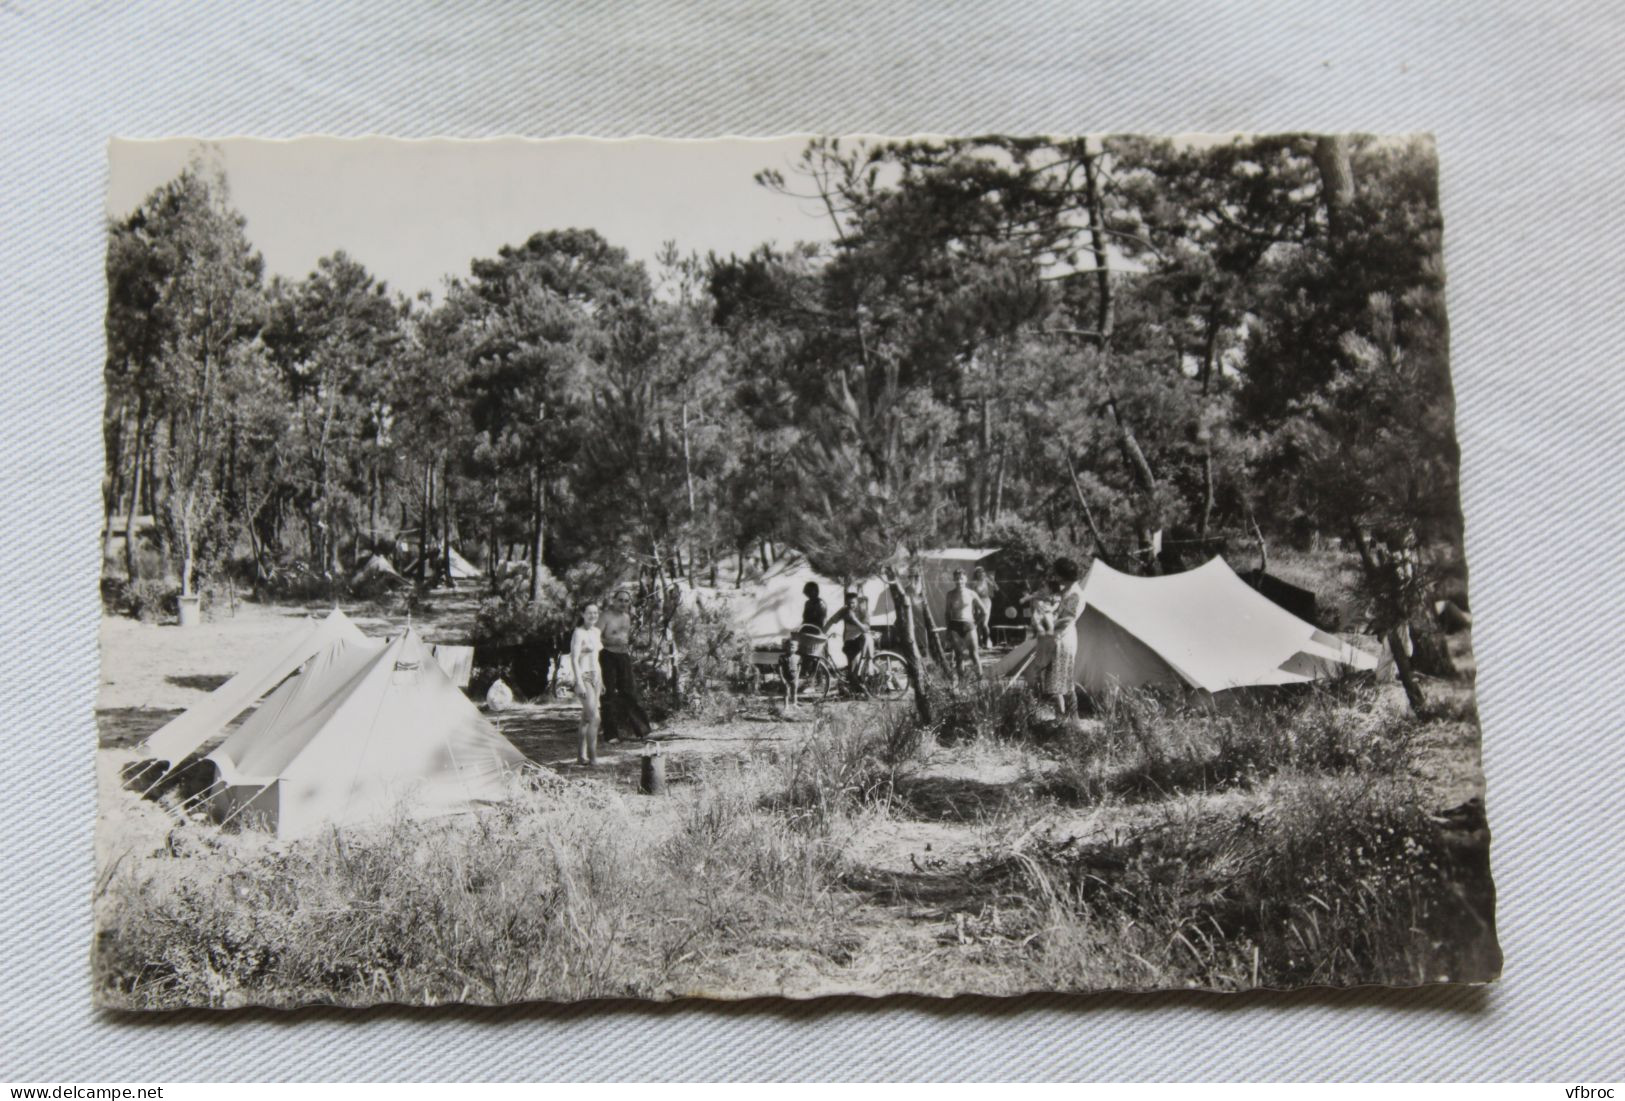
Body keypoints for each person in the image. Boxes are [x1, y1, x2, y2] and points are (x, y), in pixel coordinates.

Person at [598, 588, 651, 742]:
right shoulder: (605, 616)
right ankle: (611, 735)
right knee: (608, 695)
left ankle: (643, 730)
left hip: (623, 656)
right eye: (620, 600)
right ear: (614, 601)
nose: (623, 603)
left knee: (629, 692)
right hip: (607, 656)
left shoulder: (627, 617)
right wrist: (609, 642)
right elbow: (595, 638)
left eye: (626, 601)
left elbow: (625, 637)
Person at [1043, 557, 1086, 716]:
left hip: (1064, 639)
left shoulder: (1075, 594)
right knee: (1056, 683)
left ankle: (1073, 720)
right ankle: (1060, 718)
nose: (1054, 576)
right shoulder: (1065, 591)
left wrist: (1047, 626)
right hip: (1056, 638)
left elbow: (1066, 620)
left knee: (1064, 682)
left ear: (1062, 574)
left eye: (1056, 572)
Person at [569, 603, 604, 765]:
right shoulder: (578, 633)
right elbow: (574, 660)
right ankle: (593, 758)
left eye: (595, 613)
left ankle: (580, 756)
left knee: (586, 718)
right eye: (589, 613)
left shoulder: (596, 632)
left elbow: (596, 659)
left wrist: (601, 680)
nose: (593, 616)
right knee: (595, 718)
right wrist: (580, 683)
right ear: (582, 614)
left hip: (596, 677)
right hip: (584, 677)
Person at [785, 581, 828, 707]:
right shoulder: (808, 603)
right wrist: (801, 627)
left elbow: (821, 621)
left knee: (817, 658)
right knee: (806, 657)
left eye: (809, 592)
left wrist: (816, 631)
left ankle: (818, 683)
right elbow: (805, 618)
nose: (808, 595)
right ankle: (808, 681)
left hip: (816, 633)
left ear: (815, 591)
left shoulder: (821, 604)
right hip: (807, 632)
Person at [825, 588, 874, 694]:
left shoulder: (862, 611)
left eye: (852, 603)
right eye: (848, 603)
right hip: (849, 642)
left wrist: (855, 619)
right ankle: (857, 689)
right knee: (852, 672)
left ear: (857, 601)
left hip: (862, 641)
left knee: (866, 636)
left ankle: (869, 663)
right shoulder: (844, 610)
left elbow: (866, 629)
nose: (850, 605)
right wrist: (822, 632)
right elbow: (831, 621)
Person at [943, 567, 986, 681]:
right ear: (954, 579)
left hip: (969, 625)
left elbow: (984, 611)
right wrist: (948, 629)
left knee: (974, 655)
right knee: (958, 656)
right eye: (957, 579)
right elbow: (947, 613)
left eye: (961, 578)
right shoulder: (950, 594)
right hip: (955, 626)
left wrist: (976, 623)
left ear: (965, 579)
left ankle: (980, 682)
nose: (959, 581)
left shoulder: (971, 593)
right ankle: (962, 685)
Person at [971, 566, 997, 648]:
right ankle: (979, 643)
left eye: (982, 572)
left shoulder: (986, 580)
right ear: (976, 574)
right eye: (978, 572)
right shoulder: (974, 583)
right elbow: (973, 595)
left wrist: (993, 581)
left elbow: (997, 589)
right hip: (978, 602)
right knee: (978, 624)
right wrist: (973, 606)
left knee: (985, 623)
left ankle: (988, 641)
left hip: (987, 601)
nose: (981, 573)